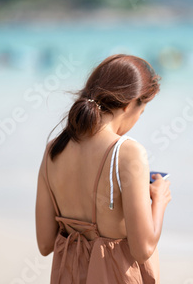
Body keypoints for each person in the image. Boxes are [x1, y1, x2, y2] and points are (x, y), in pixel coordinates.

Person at [35, 54, 171, 284]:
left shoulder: (53, 150)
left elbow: (45, 244)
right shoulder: (127, 152)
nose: (138, 118)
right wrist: (159, 200)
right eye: (142, 111)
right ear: (130, 104)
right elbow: (143, 248)